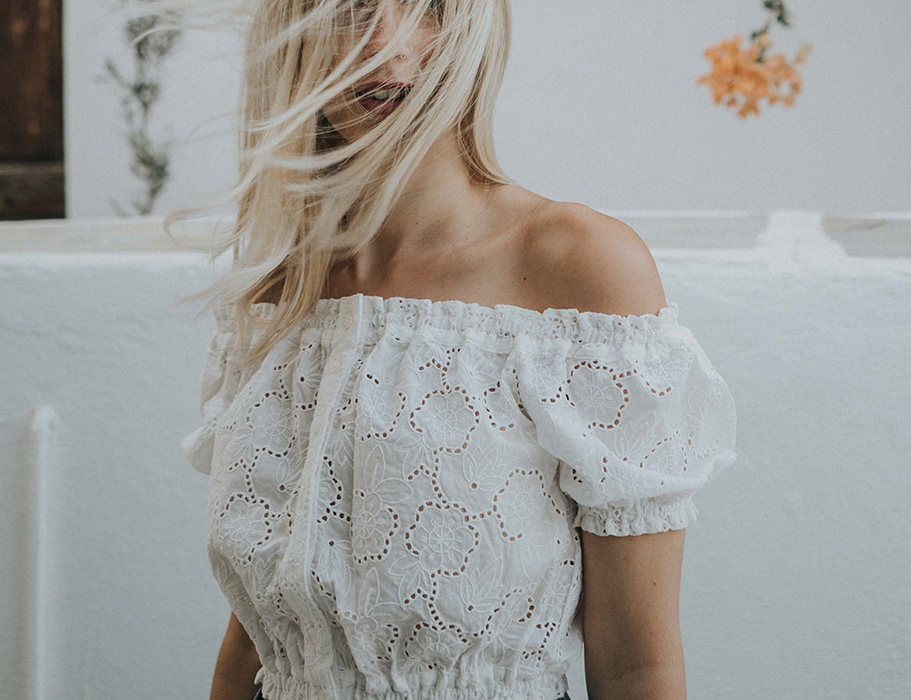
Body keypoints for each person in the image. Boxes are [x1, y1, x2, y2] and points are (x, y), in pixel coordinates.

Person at [176, 1, 738, 699]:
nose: (384, 46)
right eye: (353, 8)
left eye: (428, 7)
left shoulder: (577, 270)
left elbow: (635, 663)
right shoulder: (279, 284)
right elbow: (262, 635)